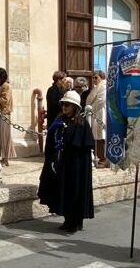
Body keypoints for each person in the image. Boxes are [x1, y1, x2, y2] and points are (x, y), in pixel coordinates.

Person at [37, 90, 95, 233]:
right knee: (64, 191)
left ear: (75, 107)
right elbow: (52, 141)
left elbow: (81, 147)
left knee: (75, 191)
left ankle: (76, 221)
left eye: (67, 105)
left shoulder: (81, 124)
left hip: (76, 166)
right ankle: (68, 220)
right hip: (63, 164)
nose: (64, 107)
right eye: (63, 104)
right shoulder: (59, 121)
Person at [0, 67, 16, 166]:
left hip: (3, 114)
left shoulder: (6, 86)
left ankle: (5, 158)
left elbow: (5, 101)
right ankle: (1, 156)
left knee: (4, 136)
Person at [86, 70, 108, 168]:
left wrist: (90, 109)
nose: (94, 79)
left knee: (101, 136)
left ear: (101, 77)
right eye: (93, 77)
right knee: (96, 136)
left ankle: (103, 158)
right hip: (95, 113)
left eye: (96, 77)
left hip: (100, 113)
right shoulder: (97, 87)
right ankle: (98, 157)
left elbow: (101, 101)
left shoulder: (103, 86)